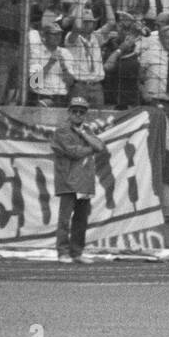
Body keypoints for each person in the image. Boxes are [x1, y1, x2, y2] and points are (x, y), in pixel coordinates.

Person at [52, 95, 107, 265]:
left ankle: (77, 252)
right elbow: (73, 152)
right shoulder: (61, 130)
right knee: (64, 220)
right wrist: (90, 148)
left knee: (81, 220)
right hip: (67, 180)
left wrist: (83, 134)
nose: (78, 114)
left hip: (85, 182)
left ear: (85, 114)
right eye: (74, 111)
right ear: (69, 112)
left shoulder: (87, 130)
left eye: (81, 112)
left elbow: (101, 146)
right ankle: (62, 252)